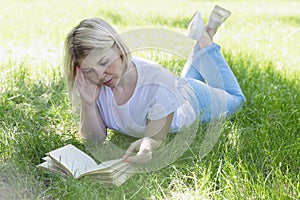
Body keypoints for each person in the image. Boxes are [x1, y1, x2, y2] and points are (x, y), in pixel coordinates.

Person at [64, 5, 245, 163]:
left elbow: (156, 138)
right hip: (174, 89)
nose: (100, 75)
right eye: (89, 70)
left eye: (104, 62)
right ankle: (199, 41)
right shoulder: (93, 85)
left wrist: (148, 146)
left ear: (118, 48)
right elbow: (94, 141)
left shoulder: (156, 82)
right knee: (180, 84)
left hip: (195, 98)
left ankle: (205, 40)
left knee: (237, 99)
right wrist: (88, 103)